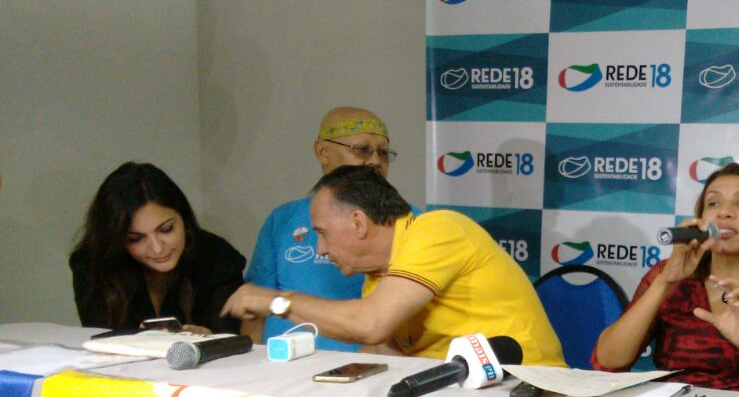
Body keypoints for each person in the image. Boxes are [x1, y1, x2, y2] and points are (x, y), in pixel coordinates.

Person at [221, 166, 564, 365]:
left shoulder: (438, 229)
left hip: (527, 394)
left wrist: (277, 302)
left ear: (359, 222)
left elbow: (370, 324)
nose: (321, 249)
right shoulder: (378, 276)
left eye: (322, 233)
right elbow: (381, 349)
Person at [592, 163, 739, 397]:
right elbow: (607, 362)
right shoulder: (666, 275)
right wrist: (665, 282)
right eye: (713, 203)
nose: (724, 212)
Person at [243, 107, 408, 351]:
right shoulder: (283, 218)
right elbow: (255, 309)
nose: (375, 160)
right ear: (323, 152)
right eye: (362, 149)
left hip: (361, 367)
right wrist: (254, 360)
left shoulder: (409, 223)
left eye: (383, 153)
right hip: (278, 363)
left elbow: (392, 324)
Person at [70, 162, 245, 334]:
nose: (157, 248)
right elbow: (102, 337)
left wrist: (210, 338)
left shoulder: (218, 257)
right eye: (136, 239)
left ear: (184, 218)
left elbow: (229, 337)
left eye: (166, 229)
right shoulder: (93, 264)